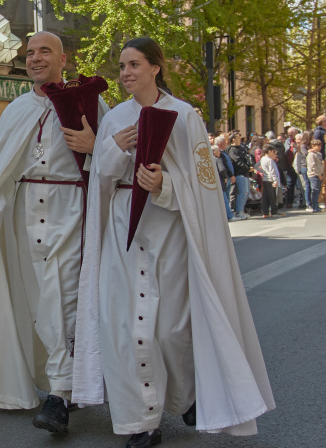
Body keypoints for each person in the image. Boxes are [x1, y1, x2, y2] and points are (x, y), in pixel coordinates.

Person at [72, 37, 274, 448]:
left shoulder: (184, 116)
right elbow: (101, 178)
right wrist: (113, 150)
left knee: (171, 330)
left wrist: (165, 185)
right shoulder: (114, 119)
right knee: (127, 330)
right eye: (122, 66)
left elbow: (204, 183)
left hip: (169, 232)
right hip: (122, 230)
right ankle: (141, 423)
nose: (125, 73)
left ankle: (184, 395)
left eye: (133, 65)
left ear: (155, 67)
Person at [0, 31, 107, 433]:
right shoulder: (16, 110)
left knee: (65, 299)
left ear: (64, 58)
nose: (36, 58)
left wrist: (95, 146)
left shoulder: (90, 103)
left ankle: (59, 395)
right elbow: (5, 172)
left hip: (72, 211)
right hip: (25, 215)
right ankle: (68, 384)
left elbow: (113, 162)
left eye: (45, 51)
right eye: (30, 53)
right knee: (42, 304)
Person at [227, 131, 252, 219]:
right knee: (242, 192)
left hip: (245, 173)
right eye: (238, 138)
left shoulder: (241, 148)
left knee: (246, 192)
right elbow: (237, 161)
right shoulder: (232, 149)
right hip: (239, 173)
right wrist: (247, 168)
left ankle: (241, 210)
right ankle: (239, 211)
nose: (240, 140)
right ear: (233, 139)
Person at [260, 145, 281, 218]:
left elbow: (256, 166)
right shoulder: (270, 160)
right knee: (272, 196)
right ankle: (273, 210)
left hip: (265, 179)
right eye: (273, 151)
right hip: (271, 179)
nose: (274, 153)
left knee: (265, 196)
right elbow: (272, 171)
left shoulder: (262, 159)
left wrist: (261, 170)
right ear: (269, 151)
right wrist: (275, 180)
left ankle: (265, 211)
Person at [306, 140, 324, 213]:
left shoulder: (318, 154)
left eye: (320, 146)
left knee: (318, 190)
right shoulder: (311, 155)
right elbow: (312, 166)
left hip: (319, 173)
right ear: (313, 146)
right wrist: (318, 174)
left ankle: (316, 204)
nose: (319, 147)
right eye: (317, 146)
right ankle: (314, 206)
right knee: (315, 190)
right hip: (314, 174)